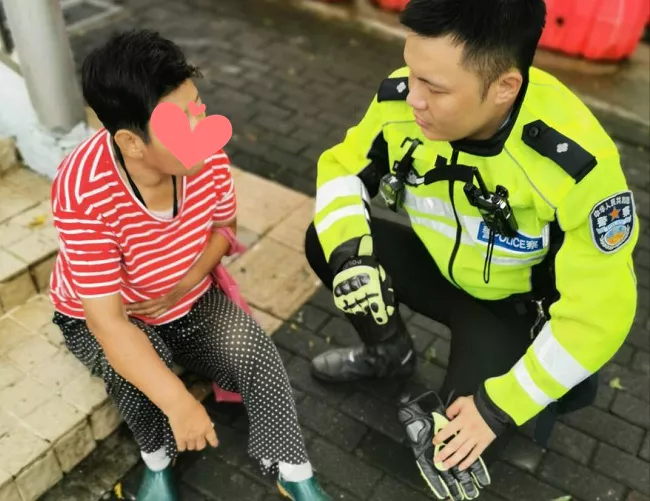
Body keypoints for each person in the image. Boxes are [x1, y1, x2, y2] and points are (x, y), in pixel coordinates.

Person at [303, 0, 639, 498]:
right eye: (411, 73)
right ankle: (389, 351)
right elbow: (342, 170)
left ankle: (516, 392)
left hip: (509, 310)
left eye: (434, 88)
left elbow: (601, 311)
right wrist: (352, 257)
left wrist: (500, 406)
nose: (413, 99)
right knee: (326, 240)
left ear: (505, 87)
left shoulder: (575, 163)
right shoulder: (403, 99)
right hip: (436, 268)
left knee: (450, 449)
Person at [49, 29, 331, 501]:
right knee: (137, 372)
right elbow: (107, 321)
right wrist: (179, 403)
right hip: (114, 316)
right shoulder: (82, 189)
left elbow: (224, 229)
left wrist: (186, 283)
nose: (201, 128)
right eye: (182, 122)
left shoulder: (208, 158)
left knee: (254, 352)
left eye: (198, 107)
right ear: (131, 142)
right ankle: (157, 461)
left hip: (189, 298)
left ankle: (292, 467)